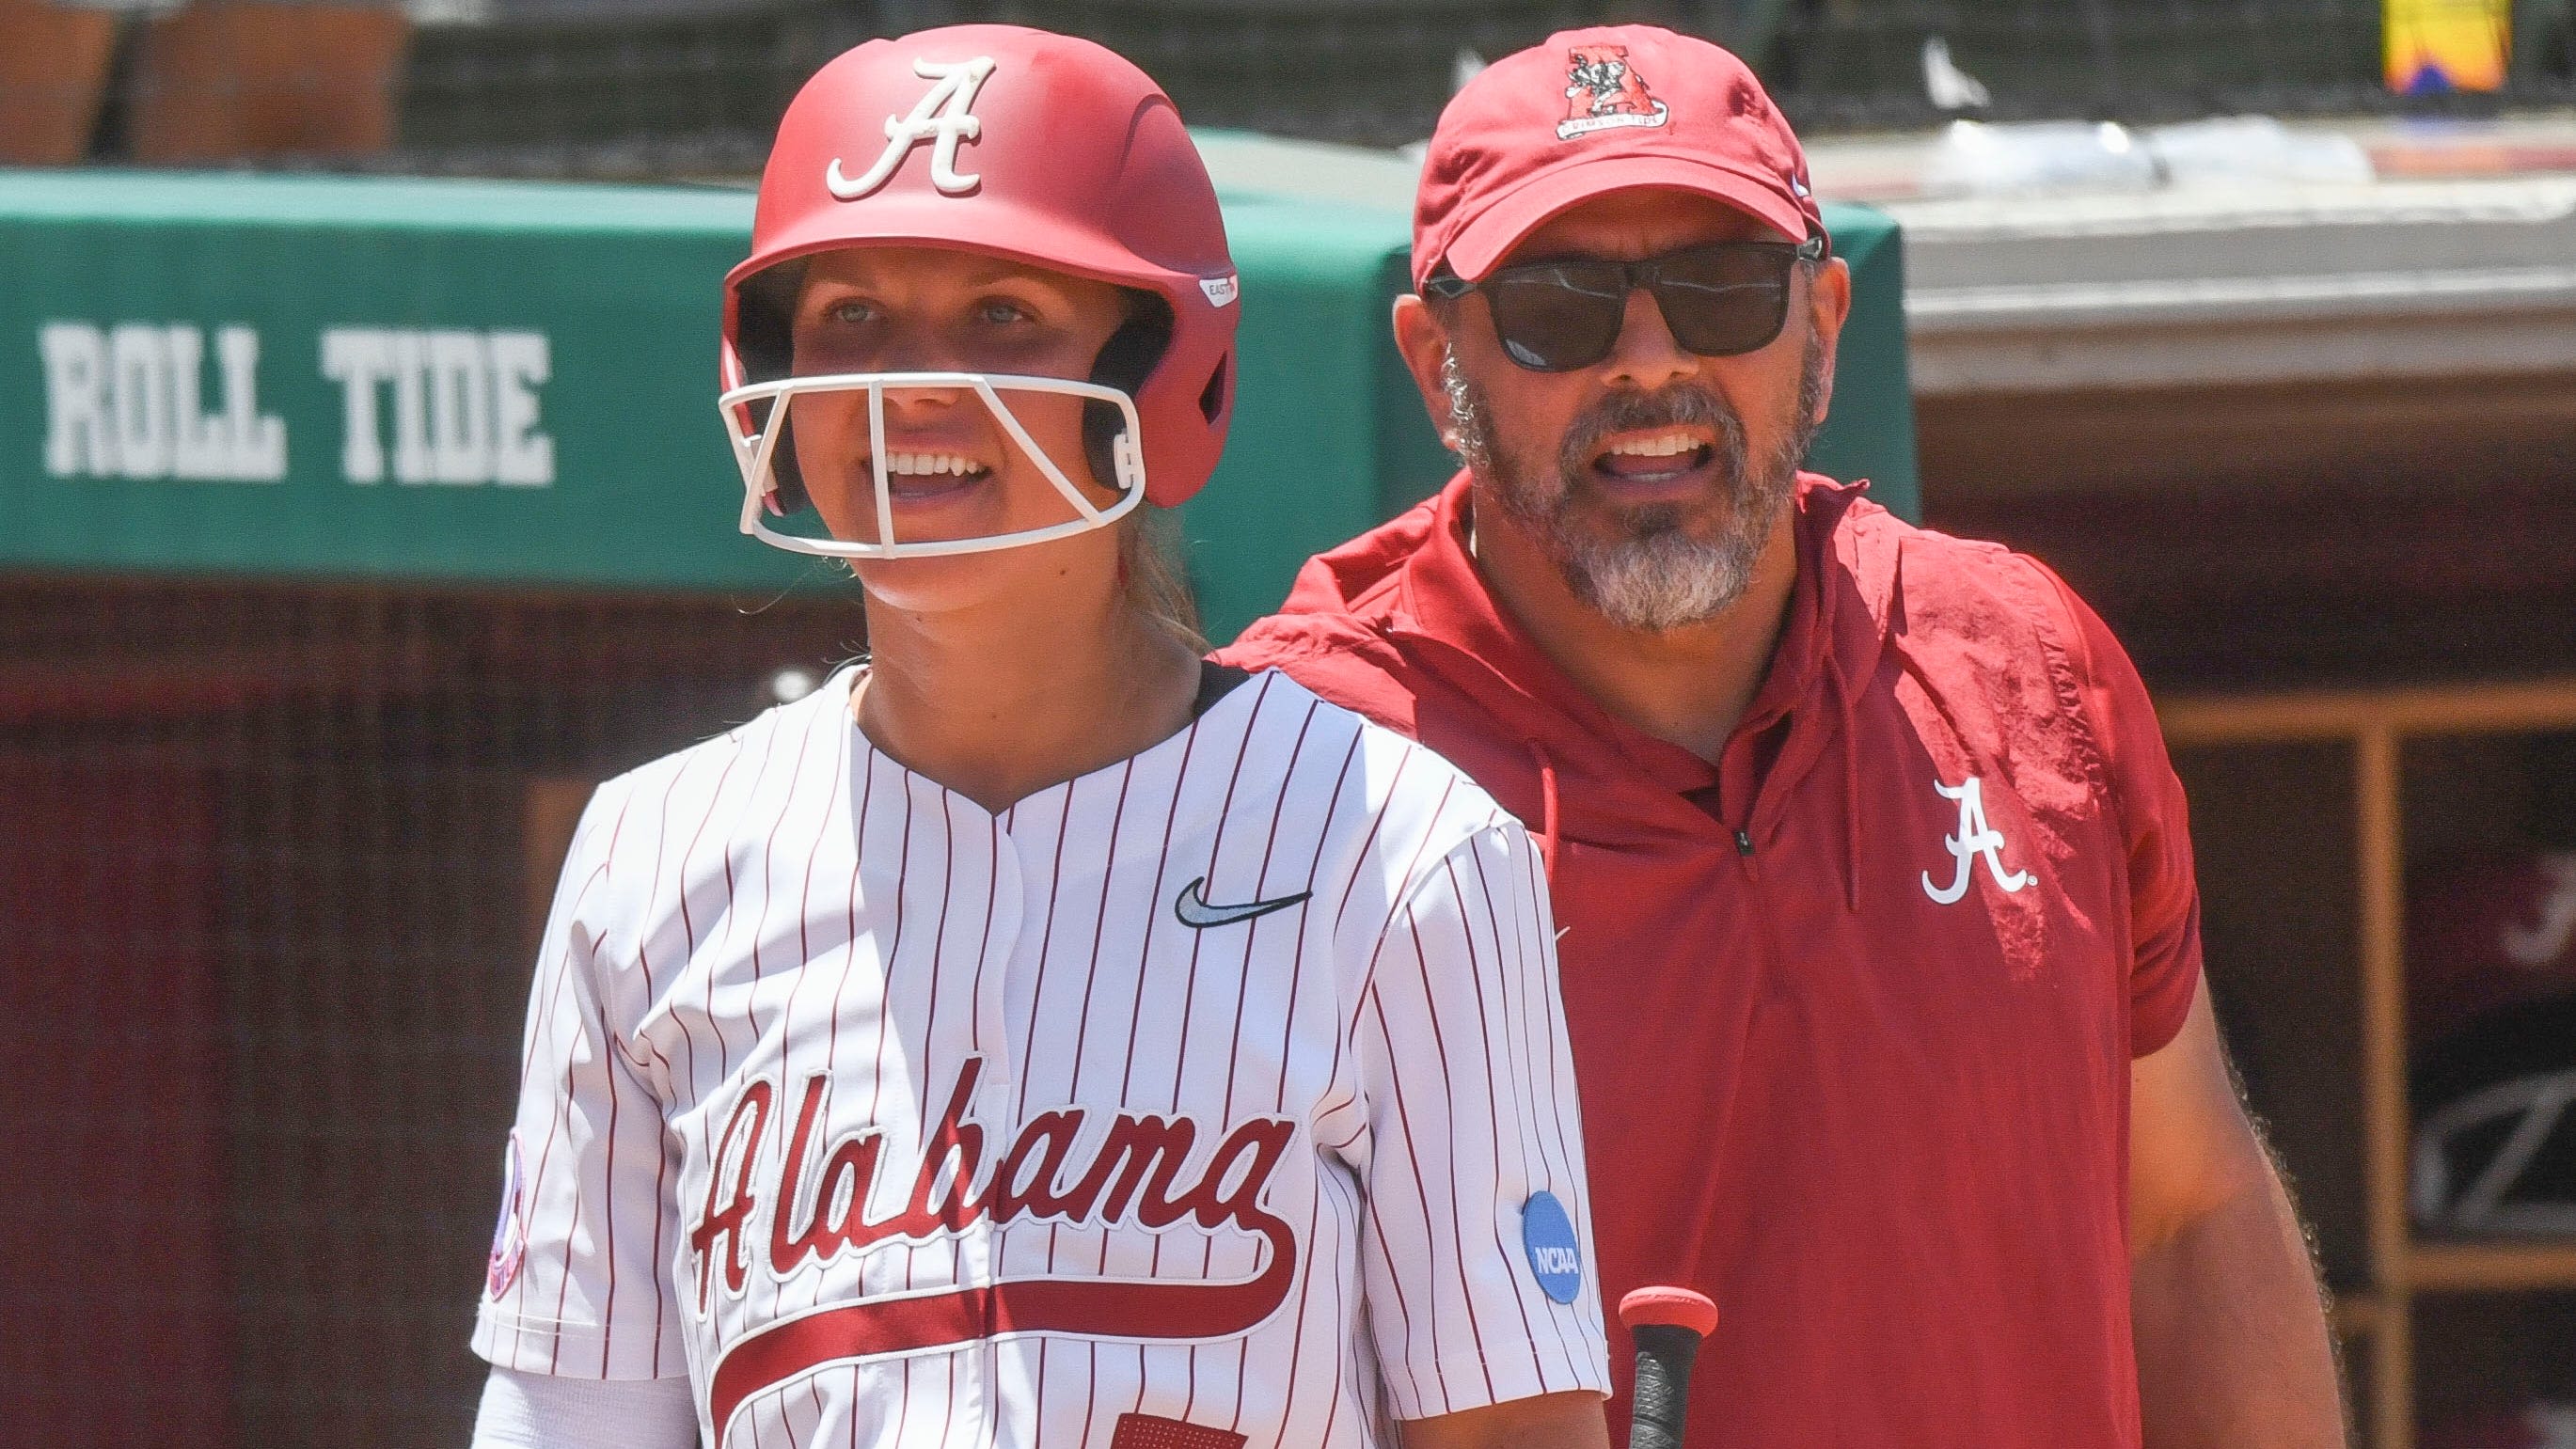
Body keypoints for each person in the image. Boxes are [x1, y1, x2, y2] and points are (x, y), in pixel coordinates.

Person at [464, 27, 1612, 1449]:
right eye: (850, 316)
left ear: (1163, 364)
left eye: (1003, 312)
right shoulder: (652, 861)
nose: (910, 386)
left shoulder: (1411, 857)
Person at [1218, 24, 2348, 1449]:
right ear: (1436, 353)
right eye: (1559, 306)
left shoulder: (2026, 665)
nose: (1649, 360)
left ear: (1823, 322)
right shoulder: (1282, 777)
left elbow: (2187, 1222)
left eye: (1719, 289)